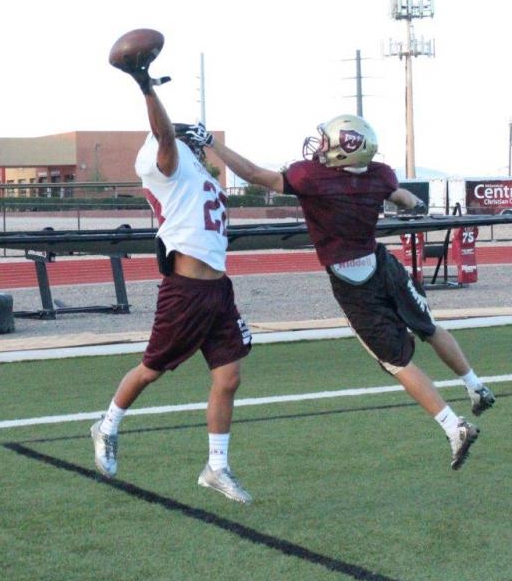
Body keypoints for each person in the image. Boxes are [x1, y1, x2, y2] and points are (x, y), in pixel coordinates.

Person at [189, 114, 495, 470]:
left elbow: (255, 175)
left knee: (396, 362)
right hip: (384, 265)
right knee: (428, 327)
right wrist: (417, 206)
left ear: (342, 151)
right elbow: (401, 196)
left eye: (327, 141)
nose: (320, 146)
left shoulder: (311, 177)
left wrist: (211, 142)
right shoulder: (379, 173)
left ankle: (453, 425)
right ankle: (475, 386)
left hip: (353, 282)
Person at [91, 55, 252, 504]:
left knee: (230, 377)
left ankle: (216, 467)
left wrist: (206, 145)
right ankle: (106, 427)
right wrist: (146, 86)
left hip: (219, 289)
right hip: (186, 291)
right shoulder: (167, 161)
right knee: (151, 370)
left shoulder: (198, 174)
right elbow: (164, 136)